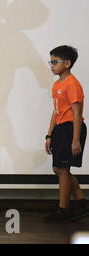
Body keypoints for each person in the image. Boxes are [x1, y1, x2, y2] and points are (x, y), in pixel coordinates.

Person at [44, 45, 88, 222]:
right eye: (51, 62)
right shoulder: (57, 85)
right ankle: (82, 202)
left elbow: (77, 113)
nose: (52, 65)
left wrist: (76, 139)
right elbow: (56, 111)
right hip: (60, 129)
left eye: (55, 62)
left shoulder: (73, 85)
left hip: (71, 128)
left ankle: (64, 209)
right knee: (58, 168)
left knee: (62, 169)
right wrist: (49, 135)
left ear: (67, 63)